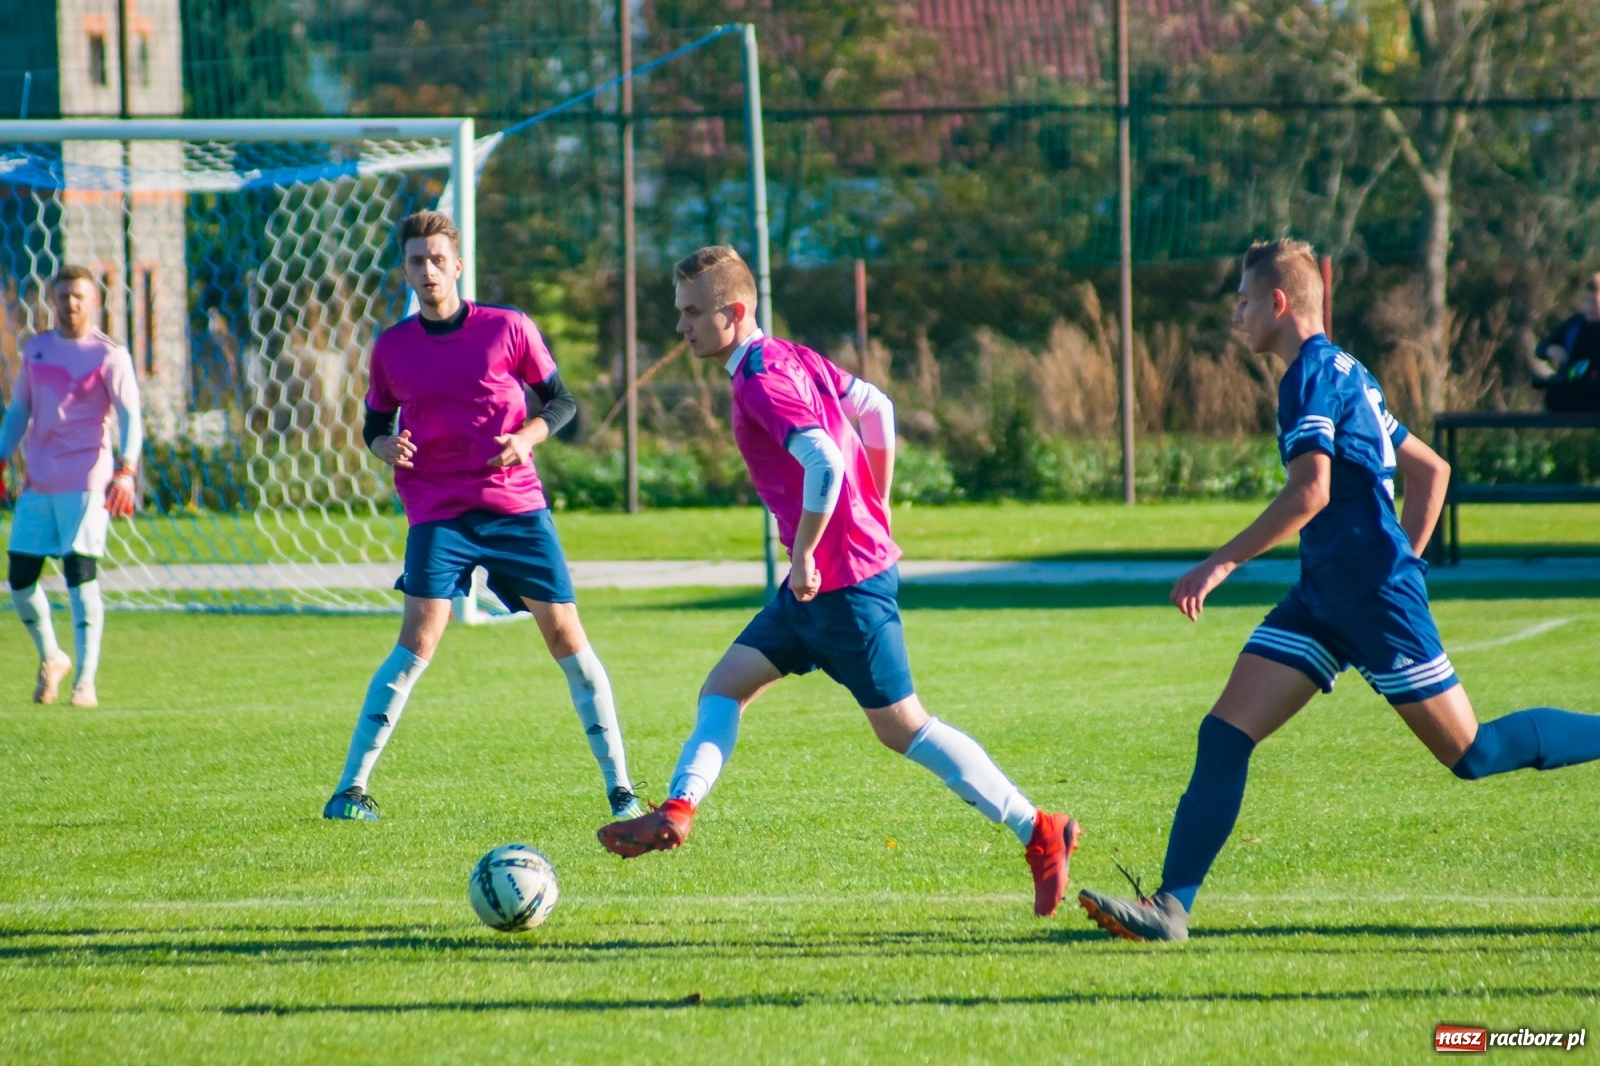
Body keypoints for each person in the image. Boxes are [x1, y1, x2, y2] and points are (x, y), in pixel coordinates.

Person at [1076, 239, 1600, 942]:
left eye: (1242, 299)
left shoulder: (1311, 376)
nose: (1236, 314)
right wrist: (1401, 560)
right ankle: (1171, 908)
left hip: (1372, 601)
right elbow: (1433, 472)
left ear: (1278, 302)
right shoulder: (1348, 372)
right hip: (1324, 598)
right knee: (1224, 734)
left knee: (1472, 755)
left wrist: (1221, 564)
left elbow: (1312, 491)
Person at [595, 246, 1081, 917]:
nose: (681, 328)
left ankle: (1039, 829)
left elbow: (822, 461)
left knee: (905, 728)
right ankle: (677, 810)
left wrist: (806, 550)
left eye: (692, 313)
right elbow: (877, 408)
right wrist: (873, 507)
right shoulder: (791, 355)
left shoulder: (762, 379)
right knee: (725, 688)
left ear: (734, 314)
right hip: (821, 584)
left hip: (839, 585)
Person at [322, 210, 641, 822]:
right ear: (407, 269)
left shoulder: (508, 328)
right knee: (417, 641)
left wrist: (528, 437)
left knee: (566, 637)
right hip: (437, 512)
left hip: (514, 507)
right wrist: (383, 445)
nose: (428, 270)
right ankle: (349, 791)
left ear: (458, 265)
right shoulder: (392, 348)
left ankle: (622, 790)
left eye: (438, 259)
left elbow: (563, 401)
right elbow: (374, 423)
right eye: (417, 260)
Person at [0, 266, 141, 708]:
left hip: (87, 478)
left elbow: (132, 416)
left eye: (78, 296)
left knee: (80, 575)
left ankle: (86, 681)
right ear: (53, 300)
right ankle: (52, 656)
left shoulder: (109, 354)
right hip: (38, 480)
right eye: (63, 296)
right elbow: (20, 409)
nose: (70, 304)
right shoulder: (37, 349)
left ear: (93, 301)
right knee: (19, 578)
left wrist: (126, 470)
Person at [1532, 272, 1600, 413]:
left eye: (1594, 303)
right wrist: (1550, 350)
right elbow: (1540, 348)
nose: (1589, 308)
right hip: (1575, 388)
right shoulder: (1574, 325)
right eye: (1586, 302)